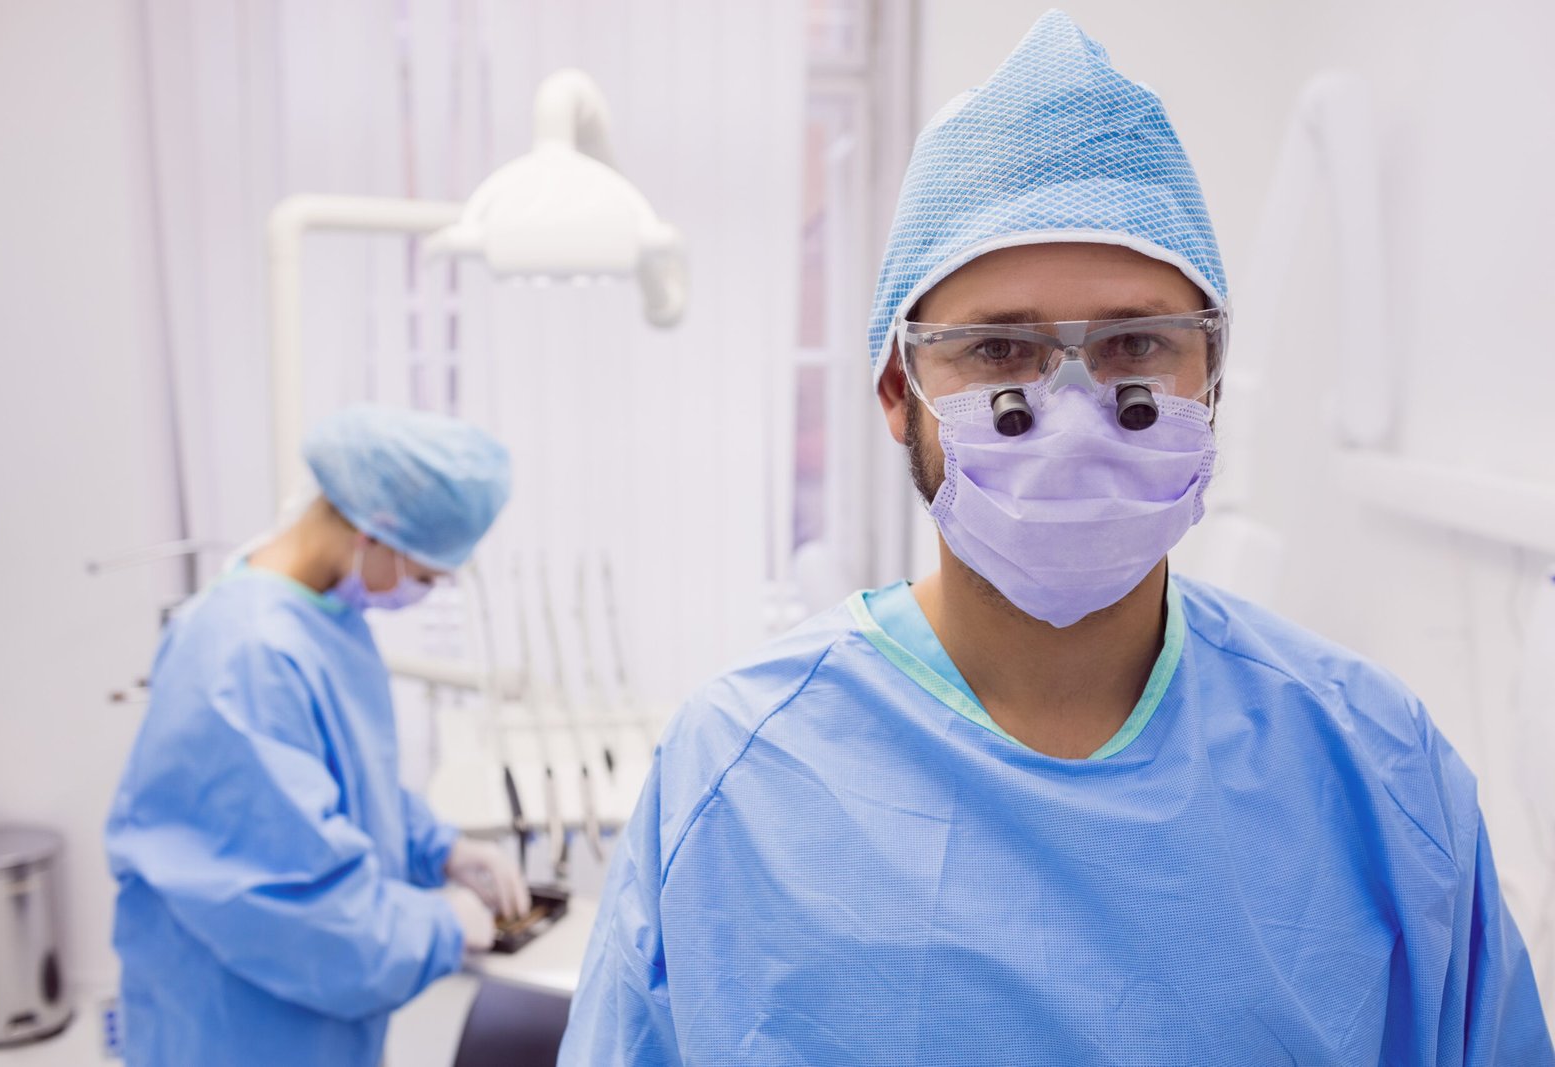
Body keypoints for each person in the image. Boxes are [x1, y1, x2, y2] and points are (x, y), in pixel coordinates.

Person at [559, 11, 1554, 1065]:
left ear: (1211, 379)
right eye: (1000, 350)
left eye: (1136, 343)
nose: (1073, 416)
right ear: (897, 388)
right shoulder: (737, 776)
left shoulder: (1377, 773)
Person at [105, 405, 531, 1067]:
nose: (423, 592)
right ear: (373, 532)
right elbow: (295, 905)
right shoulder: (246, 654)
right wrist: (439, 927)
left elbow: (337, 785)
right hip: (237, 1026)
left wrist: (438, 847)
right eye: (425, 576)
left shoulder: (324, 618)